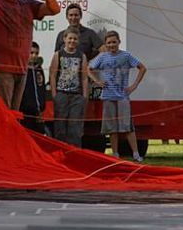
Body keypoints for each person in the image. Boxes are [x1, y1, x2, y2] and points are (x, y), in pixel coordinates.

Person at [88, 31, 146, 162]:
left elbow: (142, 68)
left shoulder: (126, 56)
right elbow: (89, 69)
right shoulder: (102, 57)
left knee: (127, 126)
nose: (111, 45)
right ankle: (115, 153)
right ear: (105, 44)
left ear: (119, 42)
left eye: (114, 42)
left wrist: (134, 85)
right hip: (108, 96)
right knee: (112, 128)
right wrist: (97, 81)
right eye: (108, 43)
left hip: (122, 96)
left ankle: (136, 154)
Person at [49, 31, 90, 147]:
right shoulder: (59, 54)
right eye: (70, 38)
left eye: (75, 39)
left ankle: (74, 152)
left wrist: (84, 96)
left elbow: (84, 78)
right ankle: (60, 152)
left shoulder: (81, 56)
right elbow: (52, 74)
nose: (72, 41)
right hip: (61, 94)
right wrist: (54, 94)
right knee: (60, 127)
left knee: (75, 127)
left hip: (76, 96)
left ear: (78, 41)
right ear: (64, 39)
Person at [19, 42, 47, 134]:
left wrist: (41, 107)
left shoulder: (38, 69)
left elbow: (41, 88)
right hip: (24, 110)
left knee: (39, 134)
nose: (34, 56)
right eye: (31, 53)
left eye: (36, 53)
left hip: (37, 111)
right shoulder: (21, 69)